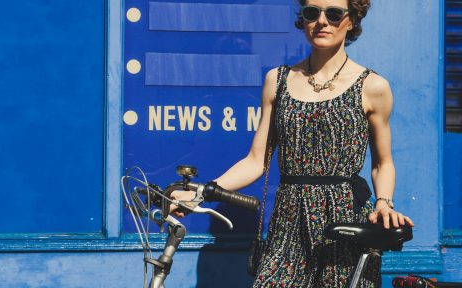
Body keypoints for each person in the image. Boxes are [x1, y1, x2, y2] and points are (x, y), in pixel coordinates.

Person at [171, 0, 415, 286]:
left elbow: (383, 162)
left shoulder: (372, 86)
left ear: (352, 20)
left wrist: (383, 202)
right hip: (288, 217)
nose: (322, 21)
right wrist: (203, 192)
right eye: (313, 13)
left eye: (334, 14)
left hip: (344, 214)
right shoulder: (277, 80)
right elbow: (255, 161)